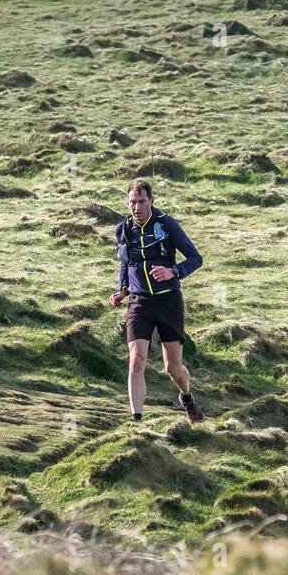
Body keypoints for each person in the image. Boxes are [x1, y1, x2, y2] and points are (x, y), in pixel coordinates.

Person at [109, 178, 204, 423]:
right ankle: (137, 421)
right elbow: (125, 262)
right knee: (136, 358)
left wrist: (174, 271)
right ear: (127, 203)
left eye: (142, 202)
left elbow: (195, 258)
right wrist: (122, 290)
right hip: (139, 303)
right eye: (133, 202)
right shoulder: (123, 230)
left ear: (151, 201)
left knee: (173, 368)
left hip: (168, 301)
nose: (137, 207)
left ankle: (187, 397)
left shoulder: (166, 224)